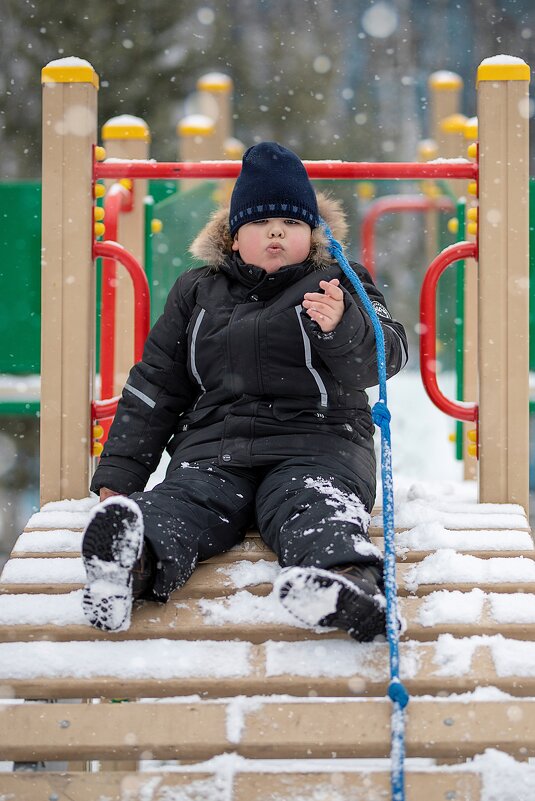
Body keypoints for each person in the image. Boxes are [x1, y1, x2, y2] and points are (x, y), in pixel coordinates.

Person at [82, 142, 408, 639]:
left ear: (315, 235)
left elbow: (387, 356)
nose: (276, 231)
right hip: (217, 448)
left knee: (312, 504)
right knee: (183, 501)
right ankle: (130, 561)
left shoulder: (341, 283)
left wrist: (342, 327)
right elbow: (157, 383)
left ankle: (344, 581)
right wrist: (122, 471)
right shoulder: (198, 290)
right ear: (232, 238)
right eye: (259, 222)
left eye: (292, 223)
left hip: (320, 444)